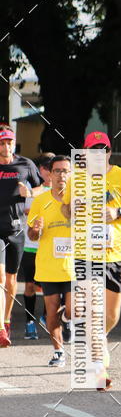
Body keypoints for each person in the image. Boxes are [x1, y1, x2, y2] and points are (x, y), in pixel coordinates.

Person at [61, 131, 121, 388]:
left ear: (109, 152)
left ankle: (98, 339)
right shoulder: (77, 179)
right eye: (93, 150)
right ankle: (98, 367)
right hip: (85, 253)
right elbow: (65, 208)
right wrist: (71, 210)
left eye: (104, 149)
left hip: (117, 254)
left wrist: (119, 211)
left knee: (111, 315)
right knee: (94, 313)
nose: (99, 154)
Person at [27, 156, 73, 367]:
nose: (62, 175)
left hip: (74, 266)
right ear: (50, 174)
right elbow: (31, 235)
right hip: (48, 266)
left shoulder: (79, 199)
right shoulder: (40, 201)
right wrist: (36, 229)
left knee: (74, 309)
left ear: (71, 174)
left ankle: (68, 320)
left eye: (65, 171)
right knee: (51, 313)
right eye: (57, 171)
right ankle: (59, 352)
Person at [0, 126, 44, 347]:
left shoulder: (25, 164)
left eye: (9, 142)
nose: (6, 146)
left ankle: (6, 322)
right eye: (2, 143)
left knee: (10, 281)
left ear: (13, 143)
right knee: (0, 278)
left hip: (15, 230)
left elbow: (41, 187)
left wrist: (30, 193)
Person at [21, 153, 54, 340]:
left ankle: (45, 316)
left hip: (52, 246)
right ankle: (29, 322)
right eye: (49, 169)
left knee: (51, 286)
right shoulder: (30, 189)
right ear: (41, 170)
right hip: (31, 245)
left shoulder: (63, 190)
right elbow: (26, 209)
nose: (52, 173)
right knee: (30, 286)